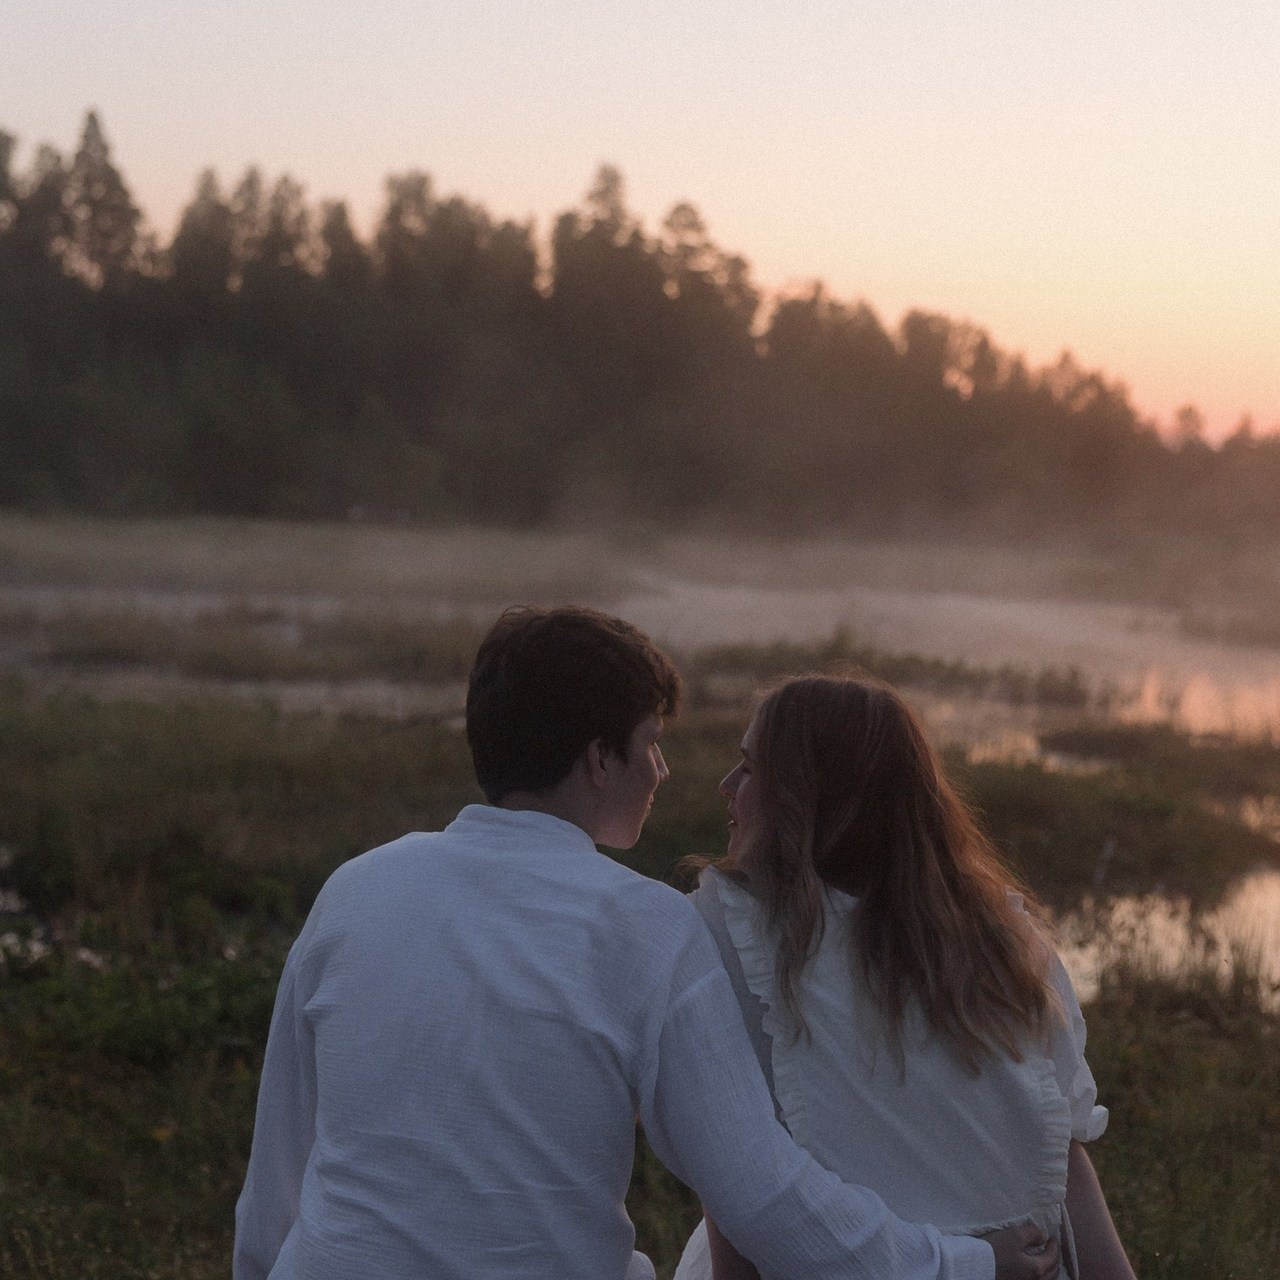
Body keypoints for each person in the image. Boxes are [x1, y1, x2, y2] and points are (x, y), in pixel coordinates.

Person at [234, 606, 1060, 1280]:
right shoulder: (644, 926)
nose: (663, 772)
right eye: (650, 743)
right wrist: (964, 1263)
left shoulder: (357, 886)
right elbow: (761, 1196)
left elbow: (272, 1185)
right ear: (599, 759)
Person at [674, 675, 1136, 1280]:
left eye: (750, 768)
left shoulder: (999, 940)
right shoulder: (1000, 934)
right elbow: (736, 1180)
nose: (727, 787)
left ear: (814, 796)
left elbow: (1059, 1156)